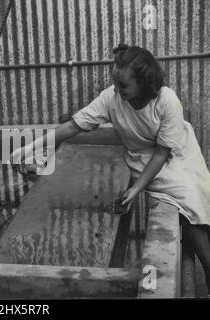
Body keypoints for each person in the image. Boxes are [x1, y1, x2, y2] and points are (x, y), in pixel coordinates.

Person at [11, 44, 210, 297]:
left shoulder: (166, 100)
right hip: (142, 158)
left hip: (178, 152)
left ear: (144, 83)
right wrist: (29, 148)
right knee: (191, 207)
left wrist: (136, 189)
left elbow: (163, 152)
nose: (117, 89)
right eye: (114, 83)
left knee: (195, 199)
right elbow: (74, 126)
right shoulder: (111, 98)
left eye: (123, 85)